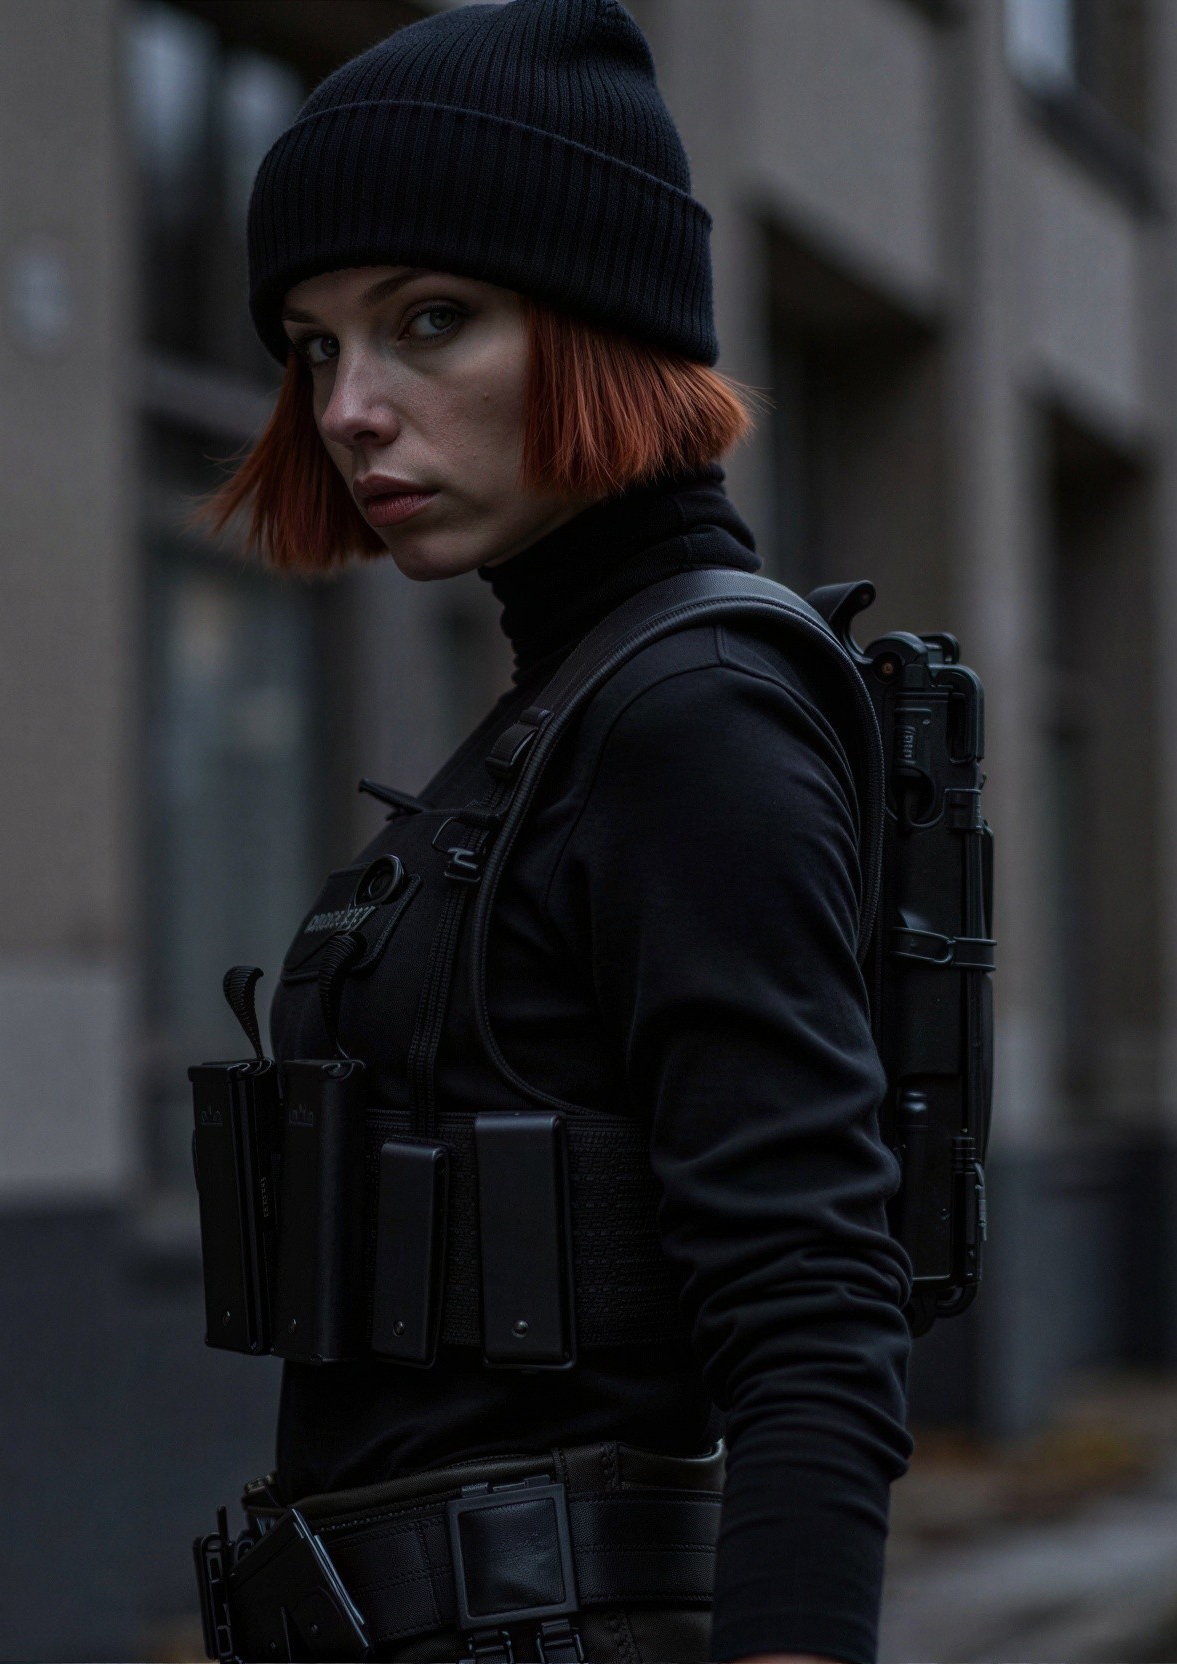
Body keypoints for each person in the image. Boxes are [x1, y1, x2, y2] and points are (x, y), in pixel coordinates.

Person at [198, 2, 912, 1660]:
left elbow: (812, 1306)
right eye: (313, 348)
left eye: (427, 321)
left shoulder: (689, 714)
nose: (351, 408)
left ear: (599, 325)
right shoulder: (575, 706)